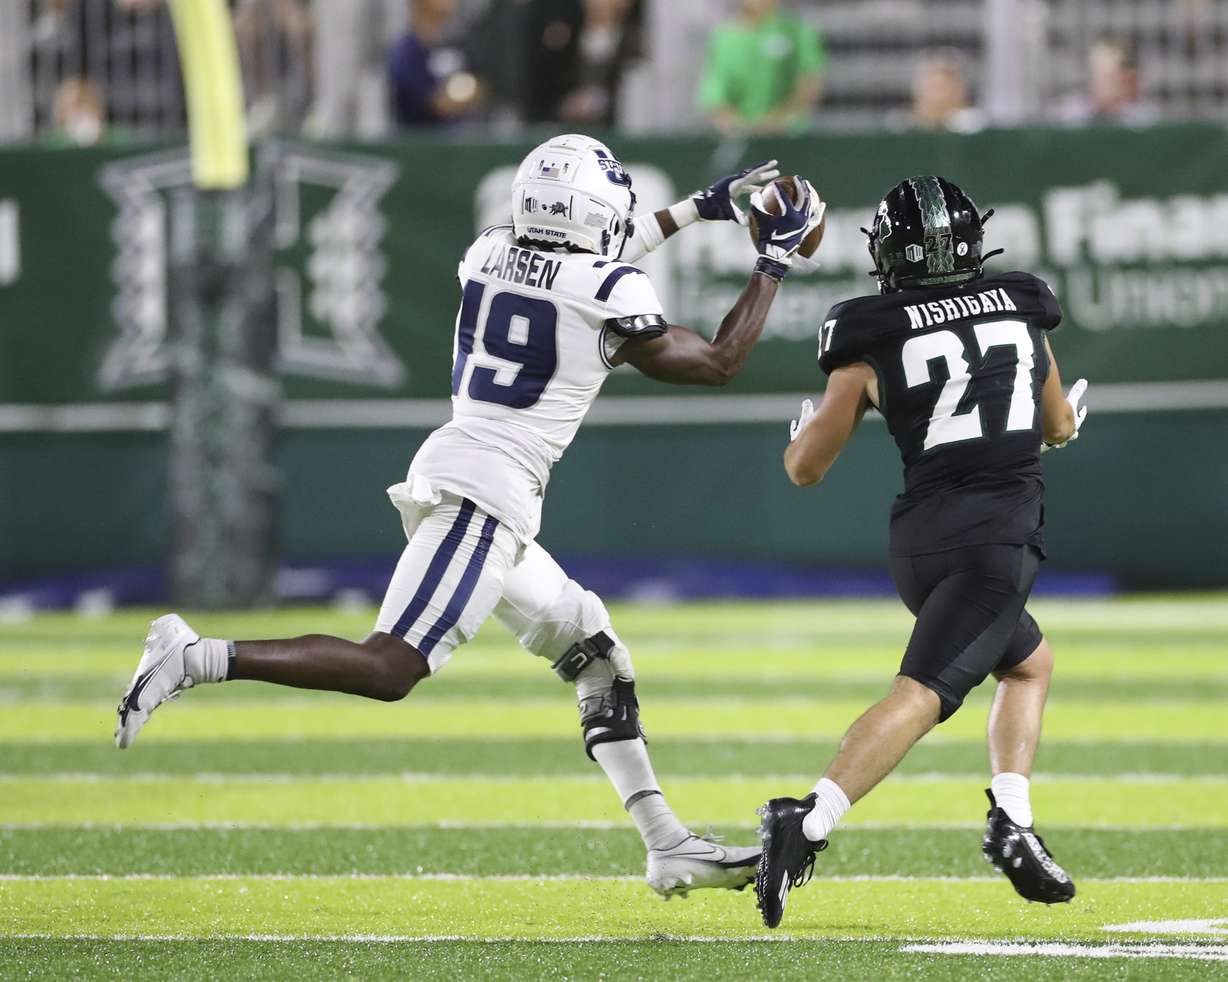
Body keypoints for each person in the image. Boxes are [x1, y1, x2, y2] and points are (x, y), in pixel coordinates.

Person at [116, 135, 825, 899]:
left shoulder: (488, 249)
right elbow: (718, 361)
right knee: (391, 667)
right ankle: (195, 655)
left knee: (595, 653)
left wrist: (695, 209)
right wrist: (772, 261)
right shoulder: (605, 286)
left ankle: (667, 844)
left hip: (479, 479)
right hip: (485, 493)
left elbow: (591, 253)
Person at [753, 176, 1088, 928]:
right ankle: (805, 822)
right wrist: (1060, 422)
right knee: (922, 696)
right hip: (994, 544)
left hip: (921, 544)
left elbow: (805, 469)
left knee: (1030, 662)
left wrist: (799, 435)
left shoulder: (867, 336)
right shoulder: (1022, 309)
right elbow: (1059, 425)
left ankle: (1014, 819)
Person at [698, 0, 825, 135]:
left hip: (789, 136)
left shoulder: (797, 31)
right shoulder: (723, 38)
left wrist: (777, 122)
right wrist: (737, 125)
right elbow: (714, 95)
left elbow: (810, 83)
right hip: (741, 137)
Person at [387, 0, 482, 129]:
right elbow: (440, 104)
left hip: (455, 140)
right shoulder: (407, 51)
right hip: (418, 143)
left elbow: (479, 90)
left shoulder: (452, 43)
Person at [1056, 37, 1158, 126]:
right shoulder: (1071, 113)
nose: (1098, 81)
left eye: (1107, 75)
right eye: (1096, 72)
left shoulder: (1144, 119)